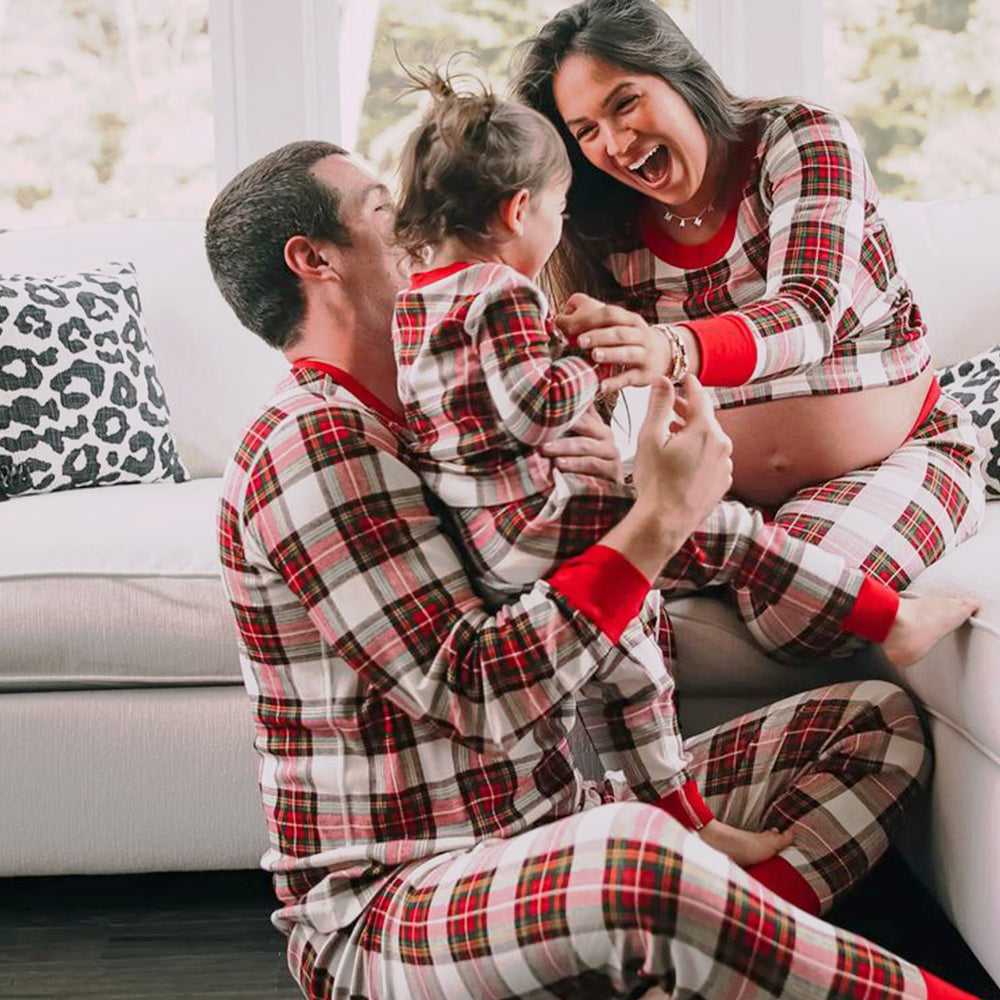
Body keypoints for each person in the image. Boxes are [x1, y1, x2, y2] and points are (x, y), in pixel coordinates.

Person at [206, 139, 981, 1000]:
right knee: (629, 863)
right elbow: (481, 692)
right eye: (388, 213)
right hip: (392, 907)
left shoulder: (449, 422)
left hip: (553, 826)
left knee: (872, 722)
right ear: (316, 261)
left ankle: (709, 950)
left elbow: (601, 595)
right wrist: (655, 520)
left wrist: (617, 473)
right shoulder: (308, 442)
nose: (423, 228)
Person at [512, 0, 986, 662]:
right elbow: (588, 389)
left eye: (626, 104)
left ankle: (752, 558)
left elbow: (809, 313)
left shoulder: (799, 138)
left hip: (897, 457)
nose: (615, 144)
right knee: (511, 572)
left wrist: (674, 348)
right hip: (723, 491)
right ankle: (742, 545)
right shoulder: (606, 221)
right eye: (587, 130)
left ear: (679, 75)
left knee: (791, 617)